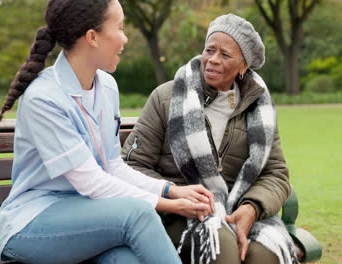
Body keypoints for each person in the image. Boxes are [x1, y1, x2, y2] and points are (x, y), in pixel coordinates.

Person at [0, 0, 214, 263]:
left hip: (91, 215)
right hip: (31, 224)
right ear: (92, 37)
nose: (125, 38)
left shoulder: (106, 87)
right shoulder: (44, 98)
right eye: (119, 28)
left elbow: (111, 167)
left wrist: (170, 190)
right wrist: (168, 204)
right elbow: (91, 182)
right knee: (139, 213)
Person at [122, 14, 301, 264]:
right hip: (176, 211)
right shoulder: (166, 97)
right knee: (221, 246)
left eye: (225, 55)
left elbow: (276, 173)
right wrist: (177, 195)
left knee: (264, 254)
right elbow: (132, 166)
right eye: (210, 50)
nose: (213, 60)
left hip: (237, 209)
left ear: (243, 67)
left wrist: (251, 208)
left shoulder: (260, 109)